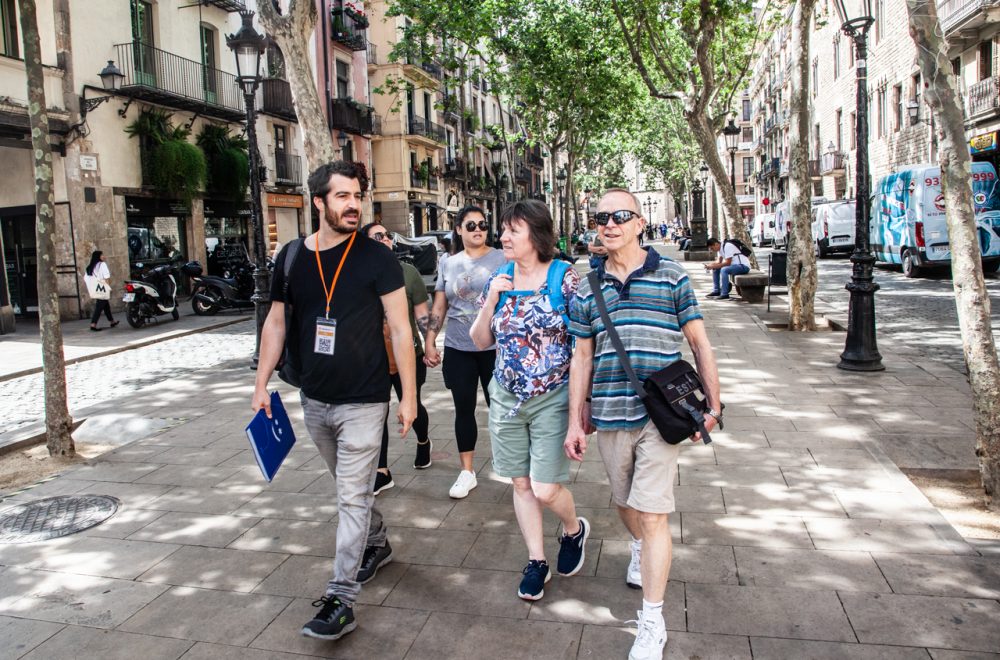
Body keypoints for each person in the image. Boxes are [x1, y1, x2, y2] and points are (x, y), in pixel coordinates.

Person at [251, 161, 416, 643]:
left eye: (357, 196)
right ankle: (377, 542)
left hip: (365, 400)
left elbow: (402, 328)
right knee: (354, 491)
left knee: (349, 495)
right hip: (314, 398)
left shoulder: (376, 257)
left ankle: (340, 599)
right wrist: (261, 384)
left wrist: (407, 395)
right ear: (318, 202)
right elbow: (276, 323)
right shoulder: (291, 258)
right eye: (342, 196)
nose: (352, 204)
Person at [564, 188, 721, 660]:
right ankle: (638, 545)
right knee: (623, 502)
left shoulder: (671, 275)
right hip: (610, 412)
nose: (608, 224)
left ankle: (652, 619)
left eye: (619, 216)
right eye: (601, 217)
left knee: (653, 513)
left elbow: (699, 342)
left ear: (639, 223)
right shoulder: (588, 285)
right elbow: (582, 357)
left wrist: (713, 403)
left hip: (662, 415)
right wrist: (577, 417)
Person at [469, 200, 589, 601]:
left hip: (551, 397)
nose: (502, 237)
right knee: (520, 482)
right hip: (505, 398)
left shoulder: (564, 278)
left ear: (536, 236)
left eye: (512, 230)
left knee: (544, 488)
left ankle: (573, 529)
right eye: (502, 229)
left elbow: (583, 347)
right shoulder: (499, 277)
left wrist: (579, 408)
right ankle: (537, 560)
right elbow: (480, 341)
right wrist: (491, 300)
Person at [424, 206, 506, 498]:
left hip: (495, 348)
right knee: (463, 409)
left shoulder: (501, 257)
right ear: (458, 229)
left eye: (482, 224)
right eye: (470, 225)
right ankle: (466, 471)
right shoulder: (448, 263)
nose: (477, 229)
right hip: (459, 348)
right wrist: (430, 339)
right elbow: (439, 306)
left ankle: (506, 462)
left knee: (501, 408)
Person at [361, 222, 434, 494]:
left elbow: (423, 315)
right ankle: (382, 470)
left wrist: (430, 345)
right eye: (377, 236)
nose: (385, 240)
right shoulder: (359, 274)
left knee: (412, 404)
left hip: (407, 355)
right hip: (373, 358)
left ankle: (424, 441)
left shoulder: (408, 273)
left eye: (387, 236)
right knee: (377, 413)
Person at [85, 250, 118, 331]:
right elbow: (106, 277)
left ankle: (112, 321)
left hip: (96, 288)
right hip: (103, 288)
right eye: (102, 255)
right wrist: (108, 287)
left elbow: (86, 278)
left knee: (106, 305)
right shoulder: (102, 264)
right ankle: (93, 324)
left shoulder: (90, 266)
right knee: (99, 306)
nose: (104, 256)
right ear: (98, 257)